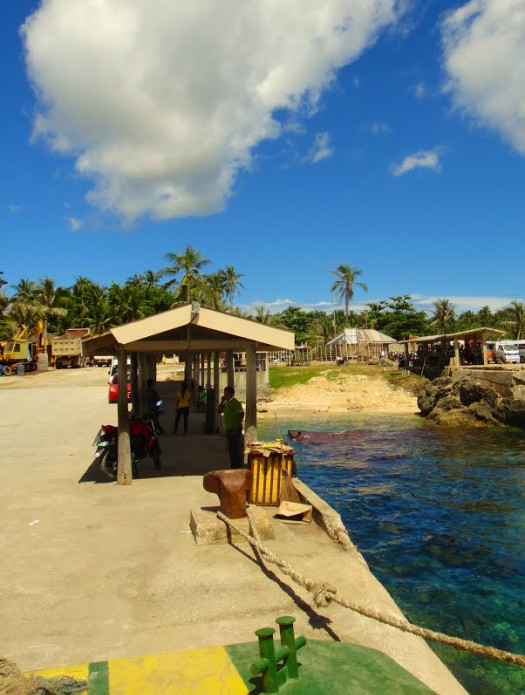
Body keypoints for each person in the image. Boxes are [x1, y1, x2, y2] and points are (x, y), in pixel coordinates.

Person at [217, 386, 244, 468]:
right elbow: (219, 411)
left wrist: (236, 428)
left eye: (225, 393)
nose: (224, 395)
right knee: (231, 449)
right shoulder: (227, 402)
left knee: (235, 449)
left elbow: (241, 413)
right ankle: (234, 465)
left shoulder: (234, 402)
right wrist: (222, 402)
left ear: (230, 394)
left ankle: (237, 466)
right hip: (229, 429)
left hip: (234, 429)